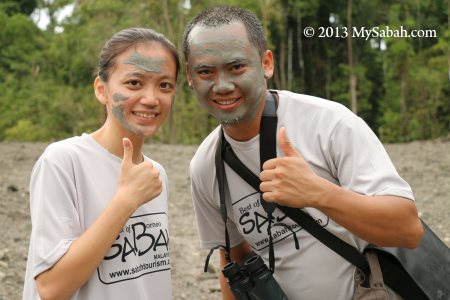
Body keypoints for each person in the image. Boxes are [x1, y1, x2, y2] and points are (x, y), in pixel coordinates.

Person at [183, 6, 424, 300]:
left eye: (236, 67)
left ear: (266, 64)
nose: (221, 85)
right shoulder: (206, 166)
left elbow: (408, 230)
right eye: (206, 71)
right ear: (190, 77)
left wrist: (318, 193)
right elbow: (235, 259)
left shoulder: (329, 123)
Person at [22, 27, 179, 300]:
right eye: (134, 83)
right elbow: (51, 287)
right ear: (101, 89)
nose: (152, 99)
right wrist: (125, 201)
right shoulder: (63, 161)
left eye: (164, 85)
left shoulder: (156, 174)